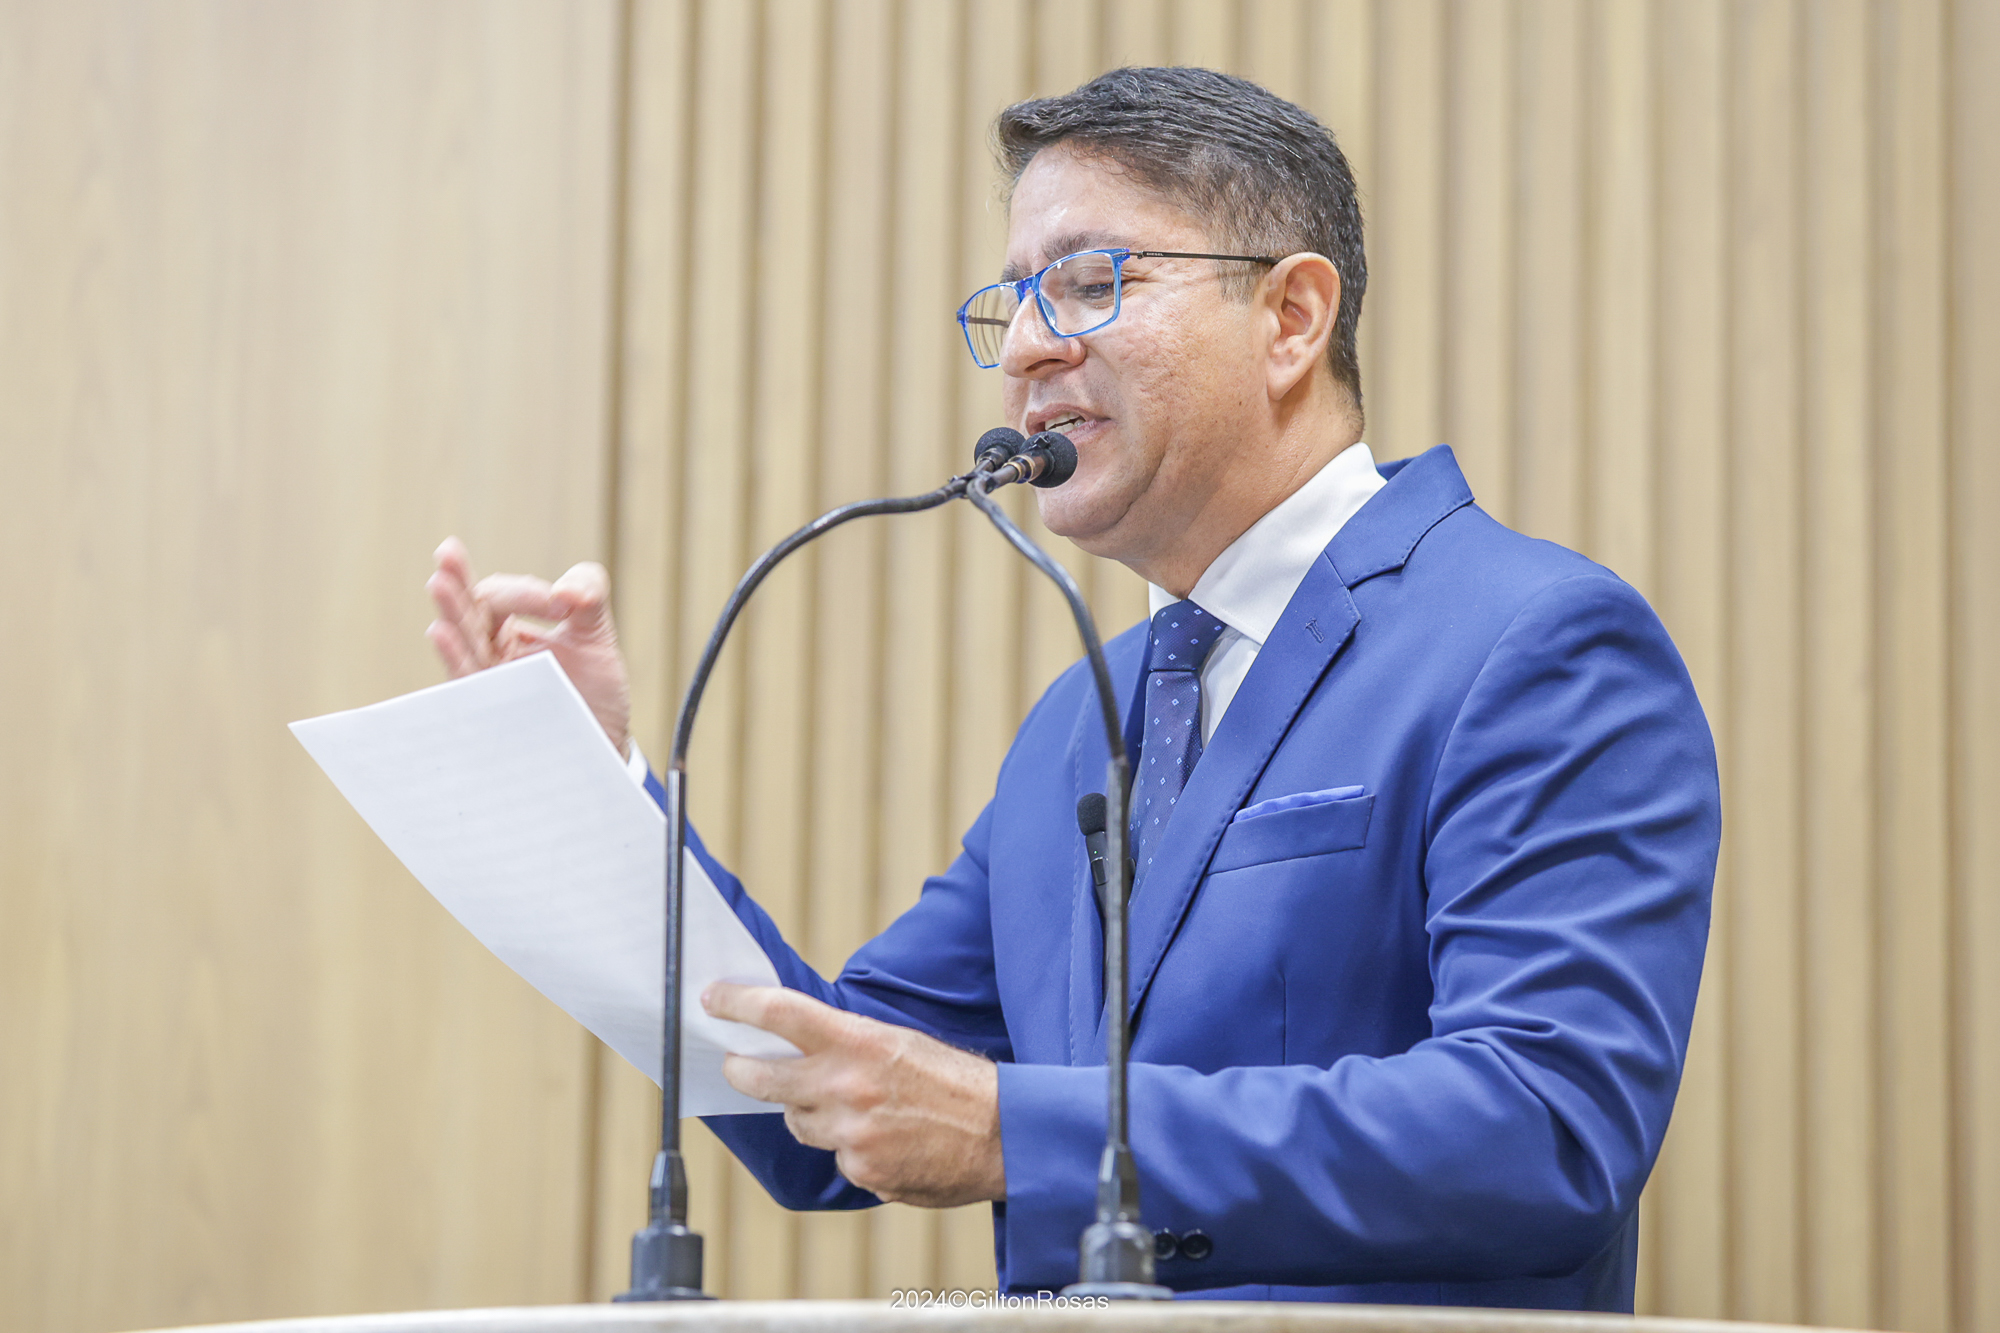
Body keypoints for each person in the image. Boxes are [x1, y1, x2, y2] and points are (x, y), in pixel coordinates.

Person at [426, 68, 1718, 1310]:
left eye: (1092, 283)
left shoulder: (1532, 643)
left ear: (1291, 318)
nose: (1032, 347)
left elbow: (1547, 1127)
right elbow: (820, 1091)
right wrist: (587, 788)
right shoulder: (1078, 723)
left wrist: (1017, 1133)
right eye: (1016, 300)